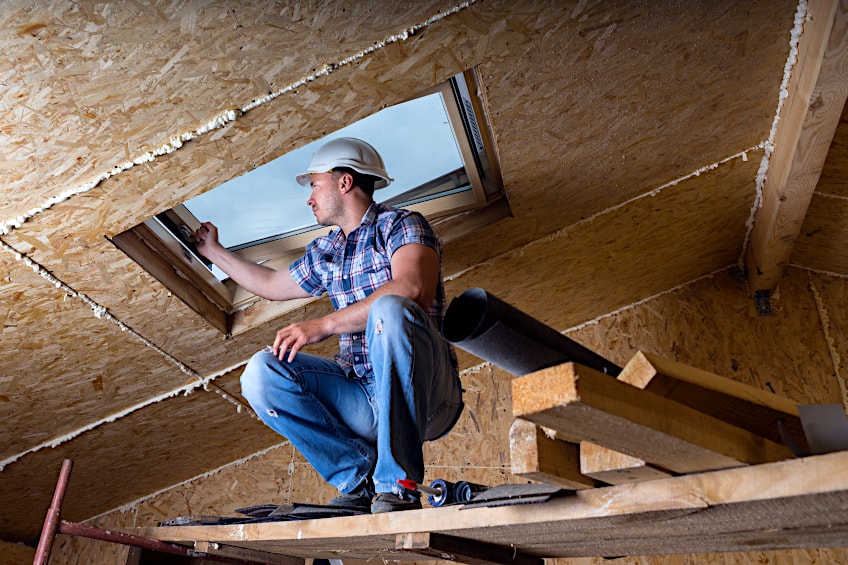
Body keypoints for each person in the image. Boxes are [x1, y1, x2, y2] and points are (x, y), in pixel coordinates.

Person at [194, 137, 463, 514]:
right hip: (362, 398)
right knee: (261, 373)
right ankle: (358, 479)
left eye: (314, 185)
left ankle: (397, 485)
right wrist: (214, 252)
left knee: (390, 309)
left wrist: (323, 325)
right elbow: (271, 286)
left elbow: (412, 289)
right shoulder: (328, 251)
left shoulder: (402, 224)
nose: (309, 198)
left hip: (429, 397)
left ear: (345, 182)